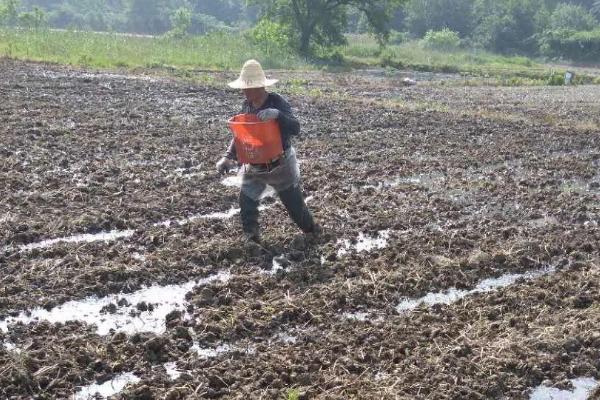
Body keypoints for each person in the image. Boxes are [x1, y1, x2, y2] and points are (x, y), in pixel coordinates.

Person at [216, 59, 318, 244]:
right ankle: (252, 240)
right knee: (247, 202)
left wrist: (277, 116)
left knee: (295, 207)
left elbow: (295, 127)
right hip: (255, 164)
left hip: (280, 164)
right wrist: (227, 156)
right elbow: (241, 135)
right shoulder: (246, 106)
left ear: (259, 87)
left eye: (247, 87)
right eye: (244, 87)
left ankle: (312, 231)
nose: (244, 91)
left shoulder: (277, 102)